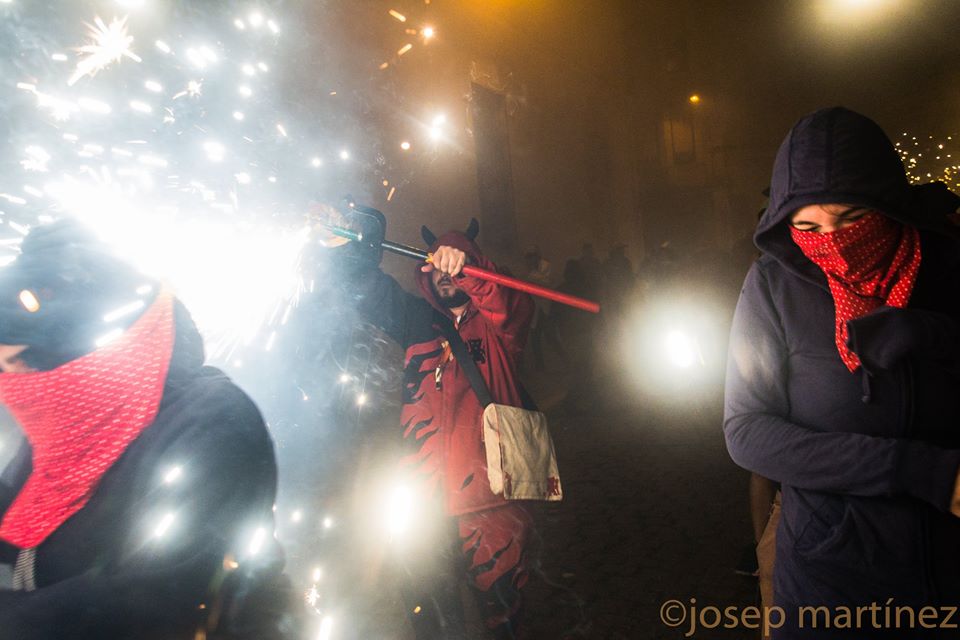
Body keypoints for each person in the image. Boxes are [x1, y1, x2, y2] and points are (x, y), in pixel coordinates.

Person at [724, 107, 960, 638]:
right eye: (808, 227)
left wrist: (934, 335)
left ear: (889, 203)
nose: (832, 242)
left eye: (852, 219)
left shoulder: (948, 268)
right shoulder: (772, 286)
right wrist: (918, 470)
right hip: (829, 583)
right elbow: (746, 431)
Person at [0, 219, 285, 639]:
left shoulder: (216, 426)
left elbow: (154, 602)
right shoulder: (71, 420)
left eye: (22, 363)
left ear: (80, 353)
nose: (15, 387)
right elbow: (17, 512)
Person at [321, 209, 535, 639]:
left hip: (491, 502)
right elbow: (368, 289)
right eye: (436, 265)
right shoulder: (418, 321)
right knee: (429, 615)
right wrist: (352, 239)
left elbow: (508, 302)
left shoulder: (499, 328)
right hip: (422, 502)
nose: (444, 274)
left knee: (503, 618)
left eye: (452, 264)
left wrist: (469, 268)